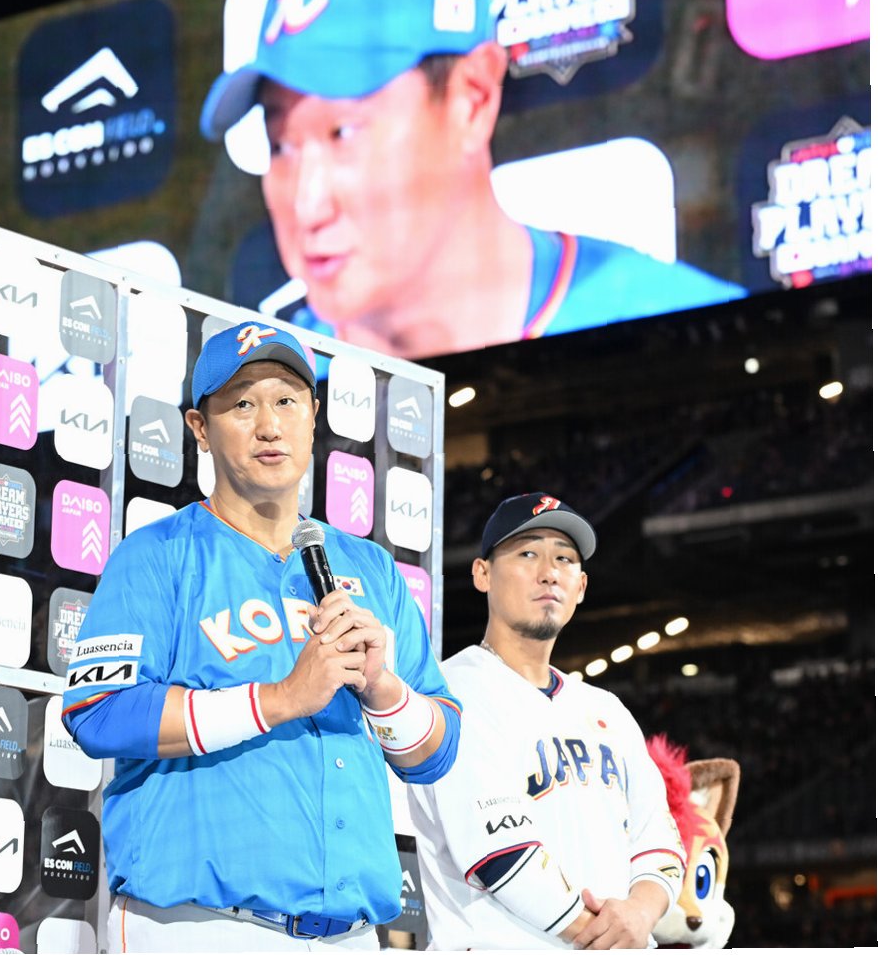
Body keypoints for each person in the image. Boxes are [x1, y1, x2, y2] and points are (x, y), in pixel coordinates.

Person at [200, 0, 746, 360]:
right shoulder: (269, 400)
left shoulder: (681, 333)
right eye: (282, 146)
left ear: (473, 99)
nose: (307, 205)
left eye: (343, 133)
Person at [61, 320, 462, 952]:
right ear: (200, 428)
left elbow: (436, 753)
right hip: (202, 928)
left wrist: (383, 689)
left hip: (352, 935)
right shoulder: (156, 554)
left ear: (313, 417)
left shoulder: (372, 569)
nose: (270, 425)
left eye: (286, 401)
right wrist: (281, 699)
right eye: (243, 404)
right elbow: (99, 712)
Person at [406, 492, 686, 950]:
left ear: (581, 586)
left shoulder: (608, 710)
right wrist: (609, 936)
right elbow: (500, 856)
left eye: (564, 559)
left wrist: (639, 914)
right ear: (482, 574)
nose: (549, 572)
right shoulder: (452, 693)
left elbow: (661, 842)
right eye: (527, 553)